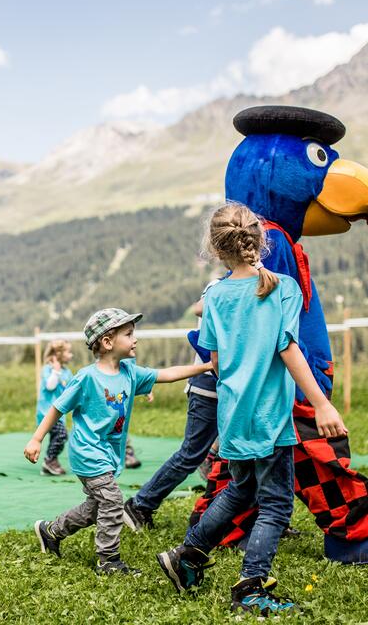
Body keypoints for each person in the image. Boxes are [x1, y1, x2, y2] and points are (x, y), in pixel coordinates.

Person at [156, 202, 347, 616]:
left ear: (216, 248)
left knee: (240, 488)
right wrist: (321, 405)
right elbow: (289, 349)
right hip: (269, 417)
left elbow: (218, 362)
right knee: (276, 503)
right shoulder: (283, 288)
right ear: (261, 240)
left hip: (234, 415)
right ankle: (252, 584)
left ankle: (187, 556)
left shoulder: (216, 297)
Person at [24, 308, 212, 575]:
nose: (135, 339)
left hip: (108, 453)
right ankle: (108, 560)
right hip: (88, 453)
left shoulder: (130, 373)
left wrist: (205, 367)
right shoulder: (87, 378)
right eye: (129, 334)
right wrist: (36, 439)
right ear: (108, 342)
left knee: (94, 508)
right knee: (113, 502)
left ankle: (51, 531)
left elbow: (166, 374)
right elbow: (57, 407)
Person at [123, 283, 219, 530]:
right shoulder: (221, 285)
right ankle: (140, 505)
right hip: (208, 388)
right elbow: (200, 308)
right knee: (190, 454)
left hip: (231, 389)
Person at [36, 340, 73, 476]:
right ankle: (49, 460)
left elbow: (72, 388)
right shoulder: (48, 370)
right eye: (68, 352)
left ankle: (50, 464)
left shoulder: (67, 372)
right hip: (46, 413)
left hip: (59, 413)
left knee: (57, 436)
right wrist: (56, 371)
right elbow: (50, 386)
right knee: (61, 434)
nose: (71, 355)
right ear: (58, 354)